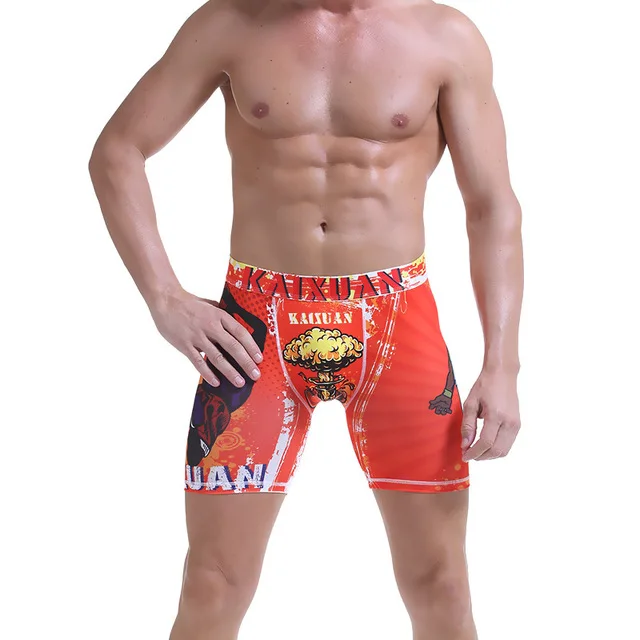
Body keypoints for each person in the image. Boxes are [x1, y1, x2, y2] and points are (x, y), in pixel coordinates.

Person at [89, 0, 523, 638]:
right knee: (212, 581)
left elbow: (491, 206)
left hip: (396, 323)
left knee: (441, 583)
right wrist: (165, 298)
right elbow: (117, 151)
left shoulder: (445, 37)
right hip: (254, 330)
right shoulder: (232, 22)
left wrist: (502, 365)